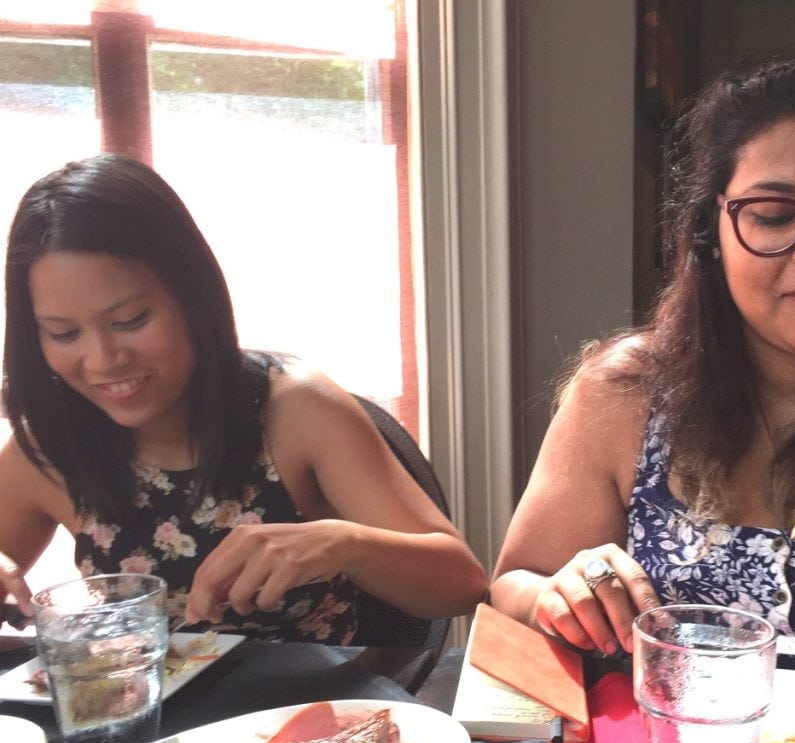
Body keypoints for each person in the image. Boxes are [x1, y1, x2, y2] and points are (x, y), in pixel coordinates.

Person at [491, 49, 795, 676]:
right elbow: (511, 591)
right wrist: (560, 592)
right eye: (773, 216)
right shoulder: (623, 396)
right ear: (711, 230)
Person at [0, 154, 487, 642]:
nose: (102, 359)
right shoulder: (46, 448)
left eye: (130, 321)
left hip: (317, 706)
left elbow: (461, 586)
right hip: (150, 714)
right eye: (63, 333)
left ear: (192, 296)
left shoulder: (295, 409)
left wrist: (342, 543)